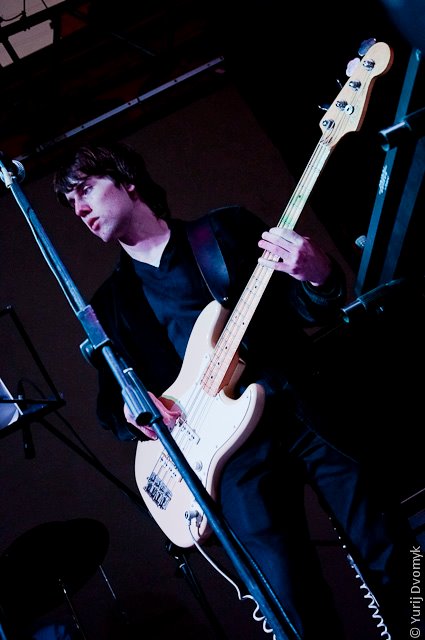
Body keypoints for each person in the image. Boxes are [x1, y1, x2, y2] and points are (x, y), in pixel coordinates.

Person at [53, 141, 414, 639]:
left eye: (86, 190)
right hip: (228, 459)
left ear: (127, 182)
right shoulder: (110, 306)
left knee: (392, 552)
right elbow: (109, 407)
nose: (79, 209)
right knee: (291, 604)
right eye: (70, 203)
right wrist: (133, 411)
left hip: (302, 412)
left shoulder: (222, 231)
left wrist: (317, 275)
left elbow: (306, 307)